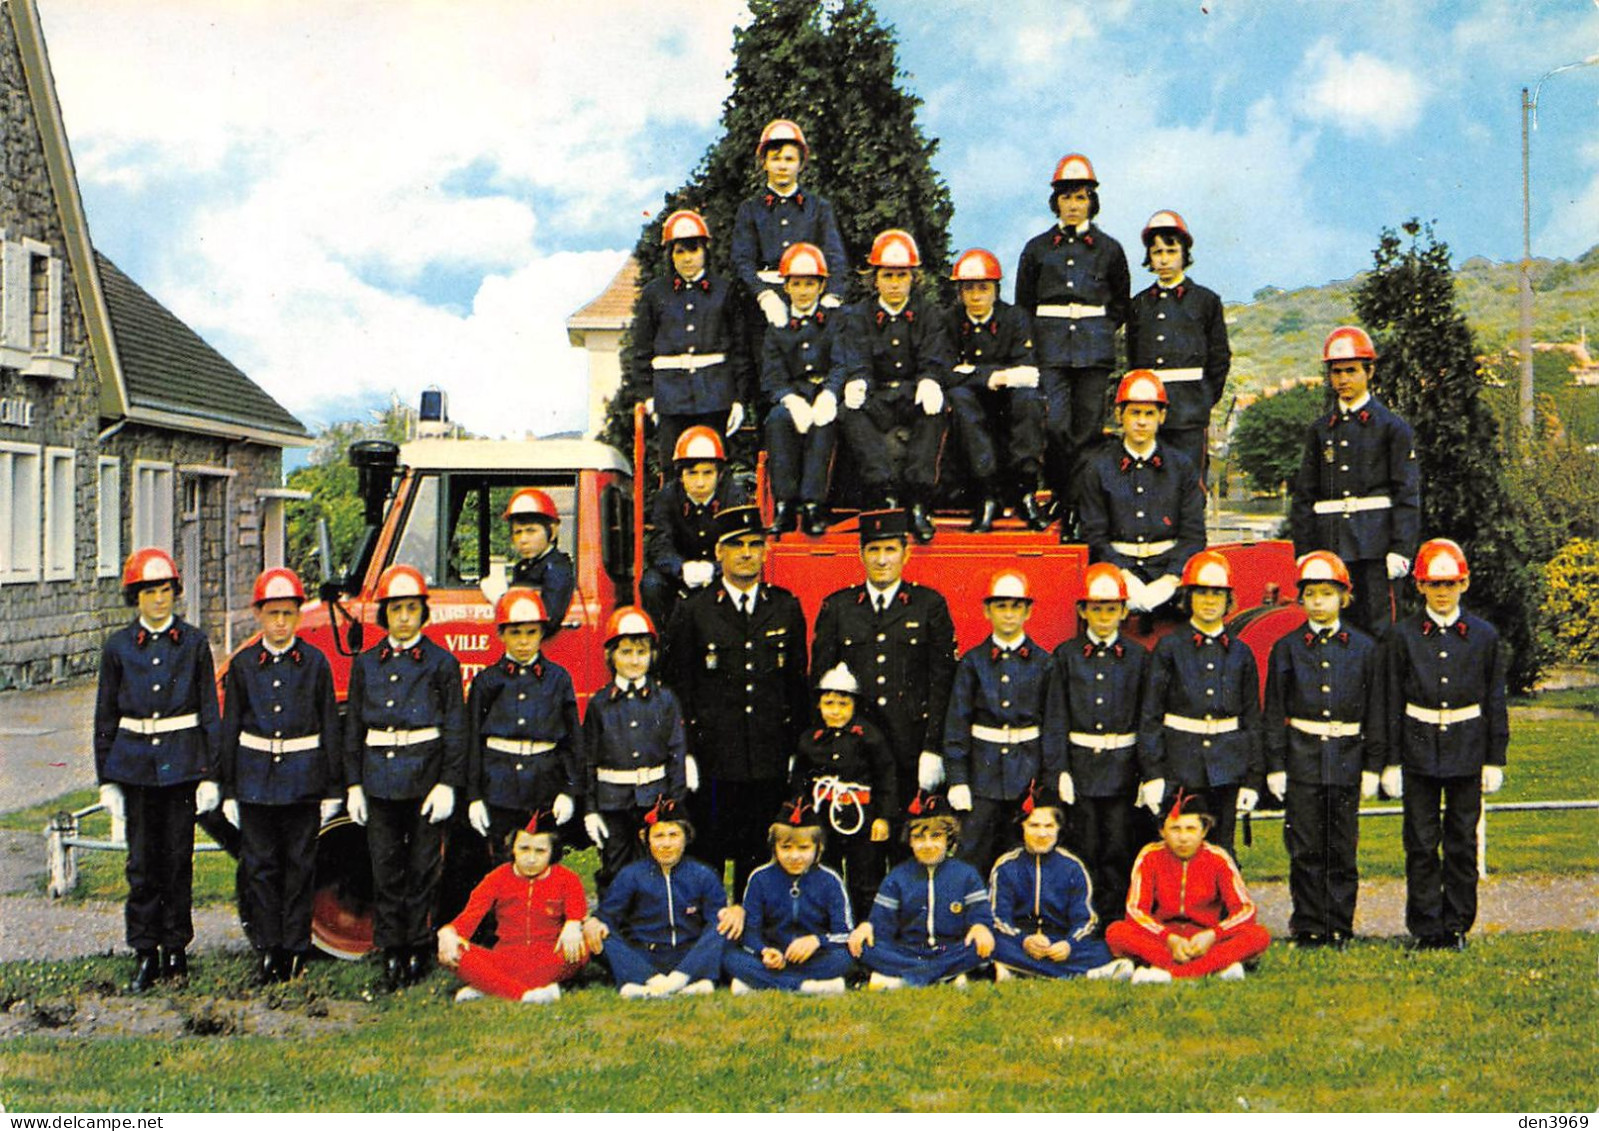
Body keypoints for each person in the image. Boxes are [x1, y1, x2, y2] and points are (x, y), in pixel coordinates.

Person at [660, 504, 809, 895]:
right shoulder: (693, 611)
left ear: (764, 551)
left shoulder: (786, 607)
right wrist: (686, 752)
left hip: (767, 757)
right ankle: (711, 939)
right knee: (707, 855)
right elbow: (678, 686)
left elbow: (796, 684)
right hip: (712, 761)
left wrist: (796, 747)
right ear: (718, 552)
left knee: (758, 859)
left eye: (754, 544)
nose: (746, 553)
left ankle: (752, 936)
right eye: (736, 545)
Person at [94, 548, 222, 992]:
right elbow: (105, 716)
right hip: (135, 769)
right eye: (150, 592)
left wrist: (210, 774)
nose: (159, 600)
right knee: (142, 864)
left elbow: (209, 712)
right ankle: (145, 952)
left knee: (176, 862)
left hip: (182, 765)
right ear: (136, 597)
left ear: (175, 593)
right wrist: (107, 778)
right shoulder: (118, 648)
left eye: (165, 590)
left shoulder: (193, 643)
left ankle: (176, 950)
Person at [1380, 538, 1509, 950]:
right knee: (1420, 841)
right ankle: (1424, 926)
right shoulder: (1402, 637)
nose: (1441, 591)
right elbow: (1391, 702)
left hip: (1467, 749)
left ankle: (1455, 925)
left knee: (1460, 841)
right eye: (1433, 583)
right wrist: (1390, 762)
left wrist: (1494, 759)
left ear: (1465, 583)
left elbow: (1494, 700)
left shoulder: (1484, 637)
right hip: (1417, 748)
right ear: (1419, 586)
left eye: (1450, 583)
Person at [343, 564, 466, 990]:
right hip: (379, 780)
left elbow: (454, 727)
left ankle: (417, 947)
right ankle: (391, 949)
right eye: (396, 609)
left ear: (422, 612)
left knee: (423, 869)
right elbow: (354, 728)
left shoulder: (441, 663)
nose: (404, 617)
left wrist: (448, 783)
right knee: (386, 869)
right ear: (385, 614)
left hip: (426, 777)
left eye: (412, 608)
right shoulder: (367, 665)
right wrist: (354, 785)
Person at [218, 567, 341, 984]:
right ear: (259, 615)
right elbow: (230, 727)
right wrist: (230, 790)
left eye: (289, 613)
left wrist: (332, 789)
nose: (281, 623)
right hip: (255, 783)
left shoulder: (315, 663)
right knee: (261, 868)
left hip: (303, 782)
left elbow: (329, 726)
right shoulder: (244, 664)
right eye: (273, 614)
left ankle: (295, 947)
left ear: (299, 615)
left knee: (299, 868)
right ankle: (269, 948)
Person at [1263, 551, 1385, 948]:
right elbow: (1275, 708)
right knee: (1305, 848)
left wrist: (1372, 765)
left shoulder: (1364, 649)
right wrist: (1276, 765)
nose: (1318, 601)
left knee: (1341, 847)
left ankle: (1340, 924)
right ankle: (1310, 924)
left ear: (1343, 598)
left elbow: (1376, 711)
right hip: (1303, 758)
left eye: (1327, 593)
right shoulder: (1288, 648)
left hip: (1347, 757)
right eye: (1311, 593)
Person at [811, 508, 957, 838]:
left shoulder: (928, 605)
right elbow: (819, 684)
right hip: (855, 754)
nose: (881, 560)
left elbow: (942, 682)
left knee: (910, 846)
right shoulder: (838, 607)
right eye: (873, 550)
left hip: (909, 747)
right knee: (860, 852)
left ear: (906, 554)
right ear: (860, 554)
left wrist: (933, 749)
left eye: (890, 549)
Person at [1013, 153, 1131, 535]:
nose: (1074, 205)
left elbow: (1120, 302)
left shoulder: (1110, 249)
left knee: (1088, 434)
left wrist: (1098, 329)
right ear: (1056, 202)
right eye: (1067, 197)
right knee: (1057, 428)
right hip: (1050, 350)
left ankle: (1078, 510)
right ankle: (1063, 495)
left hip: (1093, 352)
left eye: (1081, 197)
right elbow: (1024, 304)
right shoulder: (1037, 248)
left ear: (1092, 201)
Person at [1290, 325, 1420, 635]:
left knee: (1380, 632)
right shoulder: (1321, 431)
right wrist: (1306, 551)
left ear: (1369, 371)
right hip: (1331, 545)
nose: (1343, 379)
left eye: (1351, 370)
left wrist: (1401, 550)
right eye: (1336, 372)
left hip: (1377, 550)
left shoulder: (1392, 428)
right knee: (1333, 630)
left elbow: (1407, 494)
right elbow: (1304, 496)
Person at [941, 569, 1067, 877]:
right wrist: (957, 778)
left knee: (1022, 855)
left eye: (1015, 606)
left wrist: (1052, 779)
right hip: (982, 777)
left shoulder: (1045, 662)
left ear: (1028, 611)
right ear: (987, 610)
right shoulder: (973, 662)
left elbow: (1054, 726)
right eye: (1001, 606)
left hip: (1028, 777)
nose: (1008, 614)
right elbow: (957, 724)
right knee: (973, 853)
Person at [1138, 550, 1263, 857]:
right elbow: (1151, 715)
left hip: (1227, 767)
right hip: (1181, 763)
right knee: (1178, 851)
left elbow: (1251, 720)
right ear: (1188, 597)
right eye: (1202, 592)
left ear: (1228, 599)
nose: (1209, 600)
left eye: (1217, 594)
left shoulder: (1240, 653)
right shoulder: (1168, 649)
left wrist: (1252, 779)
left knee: (1222, 851)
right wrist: (1152, 773)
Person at [837, 229, 953, 542]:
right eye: (887, 275)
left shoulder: (929, 314)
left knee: (936, 409)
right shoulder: (859, 316)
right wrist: (858, 379)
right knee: (849, 412)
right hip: (878, 397)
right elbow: (857, 354)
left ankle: (918, 501)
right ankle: (884, 493)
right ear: (875, 278)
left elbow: (934, 354)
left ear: (912, 278)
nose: (894, 283)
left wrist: (930, 379)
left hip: (913, 394)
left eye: (901, 276)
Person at [1054, 562, 1150, 928]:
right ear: (1082, 611)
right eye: (1096, 608)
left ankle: (1115, 920)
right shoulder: (1066, 656)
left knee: (1118, 845)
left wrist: (1147, 772)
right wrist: (1060, 769)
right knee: (1084, 844)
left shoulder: (1139, 658)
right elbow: (1057, 718)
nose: (1104, 616)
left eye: (1112, 608)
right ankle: (1083, 918)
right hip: (1081, 767)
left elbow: (1146, 716)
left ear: (1124, 612)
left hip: (1123, 768)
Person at [582, 798, 744, 997]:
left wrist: (733, 913)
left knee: (725, 924)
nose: (666, 844)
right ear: (646, 838)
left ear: (686, 837)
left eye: (673, 835)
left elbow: (715, 919)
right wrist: (595, 923)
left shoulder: (703, 874)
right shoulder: (630, 875)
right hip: (645, 954)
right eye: (658, 836)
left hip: (689, 955)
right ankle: (654, 980)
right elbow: (608, 916)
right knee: (598, 932)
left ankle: (674, 981)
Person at [1076, 369, 1206, 615]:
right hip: (1115, 574)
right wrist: (1123, 576)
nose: (1142, 421)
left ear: (1162, 416)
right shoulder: (1098, 468)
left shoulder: (1181, 467)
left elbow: (1194, 535)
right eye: (1134, 412)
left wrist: (1170, 579)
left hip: (1170, 574)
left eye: (1150, 413)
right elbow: (1094, 535)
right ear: (1119, 415)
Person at [1105, 791, 1272, 982]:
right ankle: (1216, 967)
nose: (1183, 837)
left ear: (1204, 830)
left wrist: (1213, 934)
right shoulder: (1150, 856)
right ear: (1162, 831)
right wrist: (1169, 938)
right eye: (1175, 829)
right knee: (1116, 931)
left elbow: (1245, 909)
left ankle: (1166, 972)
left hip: (1205, 939)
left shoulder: (1218, 858)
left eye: (1191, 829)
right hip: (1164, 938)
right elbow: (1136, 910)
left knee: (1258, 935)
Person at [464, 590, 580, 864]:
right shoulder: (487, 682)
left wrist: (569, 791)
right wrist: (474, 796)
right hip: (499, 786)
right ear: (501, 634)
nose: (524, 641)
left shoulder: (558, 679)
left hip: (544, 785)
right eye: (515, 633)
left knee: (543, 863)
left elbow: (573, 741)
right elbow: (472, 742)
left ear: (542, 633)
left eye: (531, 632)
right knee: (503, 865)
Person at [630, 209, 751, 468]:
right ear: (670, 254)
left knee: (713, 465)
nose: (687, 258)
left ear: (705, 251)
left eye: (693, 250)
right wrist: (649, 398)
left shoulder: (724, 291)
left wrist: (739, 400)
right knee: (673, 469)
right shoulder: (655, 294)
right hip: (670, 398)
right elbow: (640, 352)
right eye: (679, 251)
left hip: (715, 395)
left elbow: (740, 350)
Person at [582, 606, 689, 894]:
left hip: (654, 800)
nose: (634, 660)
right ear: (611, 656)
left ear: (652, 655)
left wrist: (674, 805)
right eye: (626, 652)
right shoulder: (600, 704)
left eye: (641, 652)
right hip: (612, 802)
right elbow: (588, 760)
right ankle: (614, 933)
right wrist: (590, 809)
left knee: (654, 867)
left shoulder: (664, 700)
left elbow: (676, 753)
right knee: (614, 869)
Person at [944, 247, 1048, 532]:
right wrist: (990, 375)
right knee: (960, 398)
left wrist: (974, 372)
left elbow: (1028, 373)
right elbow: (945, 370)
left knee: (1028, 399)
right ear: (960, 292)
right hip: (972, 399)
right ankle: (986, 493)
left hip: (1009, 399)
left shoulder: (1015, 318)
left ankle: (1025, 492)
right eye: (969, 289)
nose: (976, 296)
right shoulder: (950, 320)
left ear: (995, 290)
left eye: (983, 288)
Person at [847, 792, 995, 989]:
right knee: (866, 948)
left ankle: (904, 979)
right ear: (910, 841)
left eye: (936, 836)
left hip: (948, 948)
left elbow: (980, 915)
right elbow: (881, 923)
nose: (928, 845)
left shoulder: (966, 874)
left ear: (948, 839)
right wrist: (868, 926)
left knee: (983, 945)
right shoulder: (897, 877)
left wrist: (980, 927)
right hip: (909, 950)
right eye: (919, 837)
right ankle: (947, 976)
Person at [437, 816, 588, 1004]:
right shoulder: (497, 877)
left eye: (540, 851)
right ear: (513, 849)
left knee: (582, 945)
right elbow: (469, 918)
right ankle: (526, 995)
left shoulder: (567, 879)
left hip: (550, 956)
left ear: (552, 853)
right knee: (454, 950)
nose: (531, 858)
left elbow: (578, 913)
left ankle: (490, 985)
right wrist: (447, 933)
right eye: (524, 849)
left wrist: (574, 924)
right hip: (506, 958)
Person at [1125, 210, 1230, 477]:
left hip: (1189, 409)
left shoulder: (1206, 301)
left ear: (1184, 253)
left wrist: (1203, 399)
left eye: (1170, 251)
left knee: (1189, 482)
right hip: (1149, 411)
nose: (1164, 259)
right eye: (1157, 252)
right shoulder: (1139, 304)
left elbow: (1219, 358)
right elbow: (1133, 358)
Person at [790, 663, 896, 919]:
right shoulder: (810, 739)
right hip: (823, 816)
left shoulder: (869, 737)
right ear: (819, 705)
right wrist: (801, 817)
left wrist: (883, 817)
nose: (836, 711)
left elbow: (886, 777)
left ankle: (866, 928)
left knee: (866, 877)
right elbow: (799, 781)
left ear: (854, 705)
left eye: (843, 704)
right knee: (826, 871)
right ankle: (830, 925)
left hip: (862, 817)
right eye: (829, 703)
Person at [731, 118, 849, 351]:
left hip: (810, 300)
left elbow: (835, 258)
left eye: (789, 159)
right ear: (764, 163)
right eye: (775, 159)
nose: (782, 166)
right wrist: (764, 295)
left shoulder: (819, 207)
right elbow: (741, 261)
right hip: (764, 308)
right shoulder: (750, 209)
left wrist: (830, 299)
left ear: (801, 164)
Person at [723, 798, 855, 995]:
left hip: (814, 957)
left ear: (818, 848)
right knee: (730, 956)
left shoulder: (830, 880)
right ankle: (808, 987)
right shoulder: (760, 878)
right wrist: (764, 951)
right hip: (771, 957)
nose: (794, 856)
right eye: (786, 848)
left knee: (844, 958)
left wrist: (817, 941)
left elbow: (844, 933)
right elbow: (750, 931)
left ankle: (759, 985)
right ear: (774, 847)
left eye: (803, 848)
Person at [988, 797, 1128, 980]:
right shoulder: (1006, 866)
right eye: (1034, 826)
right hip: (1019, 941)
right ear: (1021, 827)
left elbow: (1086, 919)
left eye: (1049, 826)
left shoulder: (1072, 866)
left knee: (1102, 949)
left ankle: (1019, 971)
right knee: (988, 944)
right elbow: (998, 917)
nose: (1042, 833)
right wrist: (1024, 940)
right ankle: (1084, 974)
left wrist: (1069, 944)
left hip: (1059, 943)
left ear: (1058, 829)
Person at [761, 241, 845, 536]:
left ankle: (813, 505)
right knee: (777, 422)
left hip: (823, 393)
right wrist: (789, 399)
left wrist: (831, 393)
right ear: (786, 287)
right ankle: (785, 504)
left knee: (825, 424)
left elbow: (841, 363)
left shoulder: (834, 322)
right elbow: (772, 375)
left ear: (822, 286)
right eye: (797, 284)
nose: (804, 290)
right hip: (794, 394)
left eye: (810, 283)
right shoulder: (777, 327)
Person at [640, 426, 750, 628]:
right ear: (680, 475)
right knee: (651, 584)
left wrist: (714, 569)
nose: (700, 483)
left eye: (707, 473)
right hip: (679, 575)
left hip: (721, 574)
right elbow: (659, 545)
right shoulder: (667, 497)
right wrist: (681, 569)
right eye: (692, 473)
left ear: (719, 474)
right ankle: (661, 647)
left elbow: (739, 545)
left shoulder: (734, 496)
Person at [503, 488, 575, 630]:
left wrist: (499, 599)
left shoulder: (556, 568)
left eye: (531, 531)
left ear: (552, 532)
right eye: (517, 532)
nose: (523, 540)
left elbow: (548, 619)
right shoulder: (523, 567)